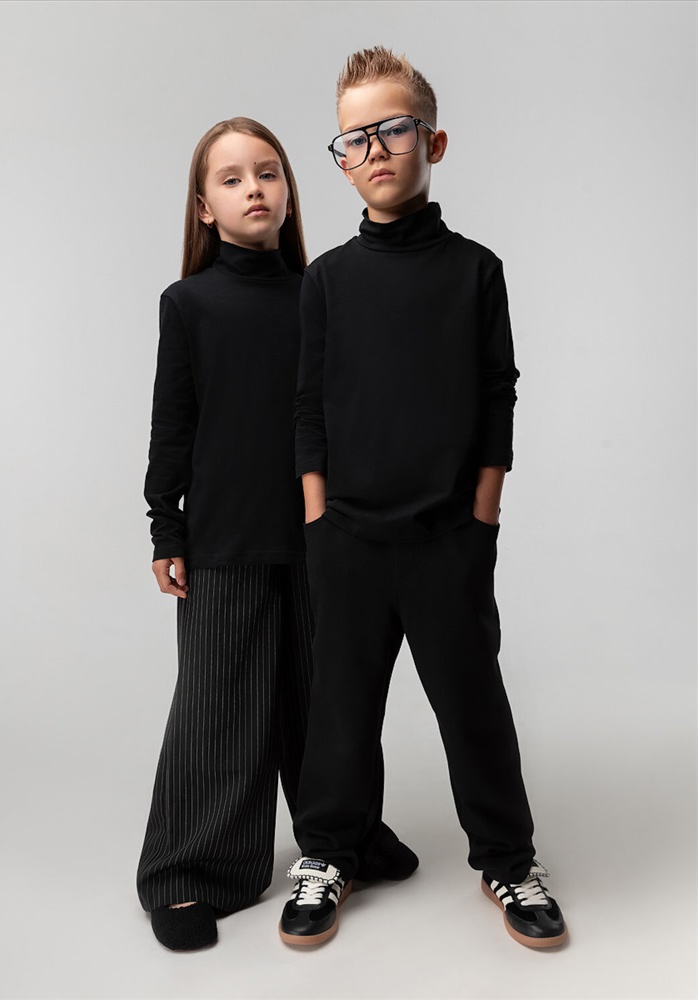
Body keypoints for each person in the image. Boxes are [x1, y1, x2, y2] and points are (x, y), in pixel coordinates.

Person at [278, 48, 568, 950]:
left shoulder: (476, 270)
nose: (373, 149)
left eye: (392, 129)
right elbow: (309, 404)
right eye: (353, 137)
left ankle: (509, 861)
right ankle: (328, 854)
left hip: (448, 537)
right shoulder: (327, 278)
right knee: (340, 712)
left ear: (432, 141)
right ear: (341, 160)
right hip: (347, 539)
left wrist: (483, 517)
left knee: (473, 703)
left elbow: (497, 394)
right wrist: (318, 518)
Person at [137, 117, 417, 952]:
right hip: (224, 537)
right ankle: (189, 873)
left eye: (267, 172)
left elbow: (351, 412)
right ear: (204, 208)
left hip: (323, 535)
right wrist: (165, 527)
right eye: (231, 179)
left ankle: (346, 839)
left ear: (290, 192)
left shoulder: (322, 292)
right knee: (217, 710)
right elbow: (173, 424)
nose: (253, 188)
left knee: (327, 705)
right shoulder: (188, 304)